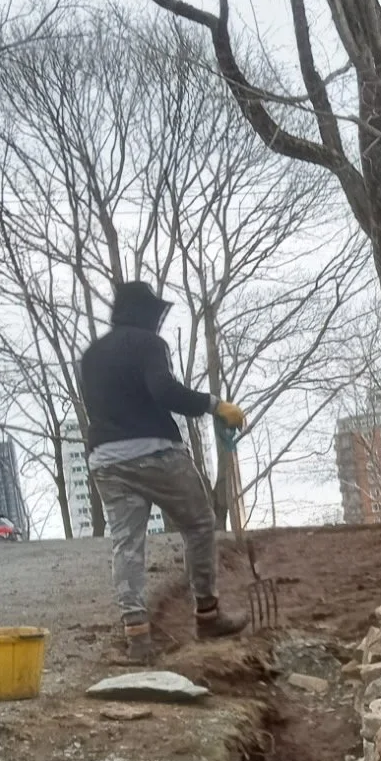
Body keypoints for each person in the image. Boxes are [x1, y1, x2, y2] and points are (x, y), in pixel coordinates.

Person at [79, 281, 247, 663]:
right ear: (147, 314)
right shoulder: (149, 345)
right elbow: (164, 391)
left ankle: (137, 636)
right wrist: (214, 404)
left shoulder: (91, 355)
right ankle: (207, 616)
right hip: (155, 454)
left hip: (106, 460)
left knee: (127, 543)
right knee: (200, 523)